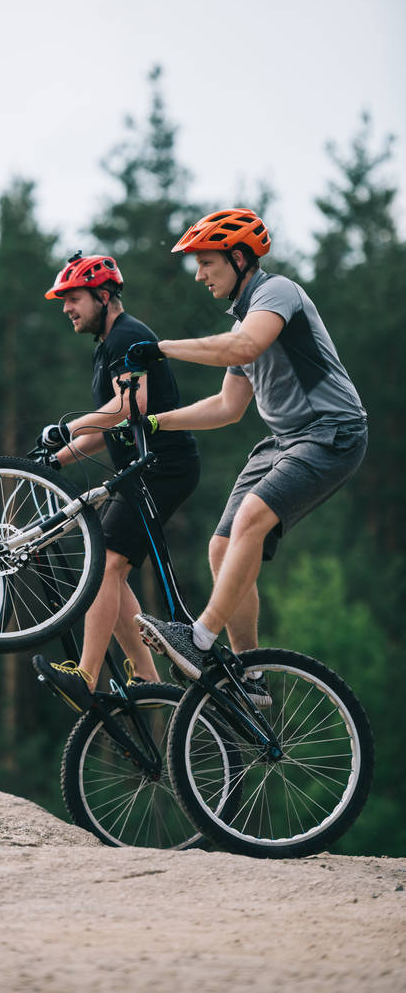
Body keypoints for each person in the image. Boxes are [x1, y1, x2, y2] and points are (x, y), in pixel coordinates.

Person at [126, 208, 368, 705]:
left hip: (332, 432)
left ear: (239, 258)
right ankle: (249, 677)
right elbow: (227, 407)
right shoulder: (243, 320)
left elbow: (245, 347)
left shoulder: (276, 293)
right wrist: (153, 422)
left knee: (253, 517)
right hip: (284, 441)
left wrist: (162, 348)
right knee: (222, 548)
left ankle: (198, 639)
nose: (199, 275)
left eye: (206, 263)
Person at [32, 252, 200, 712]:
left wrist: (68, 427)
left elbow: (131, 407)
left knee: (105, 564)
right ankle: (145, 675)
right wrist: (60, 459)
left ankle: (86, 675)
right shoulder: (108, 344)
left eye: (74, 299)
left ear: (103, 296)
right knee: (109, 567)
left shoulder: (127, 336)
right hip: (141, 468)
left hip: (161, 467)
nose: (66, 308)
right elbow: (112, 428)